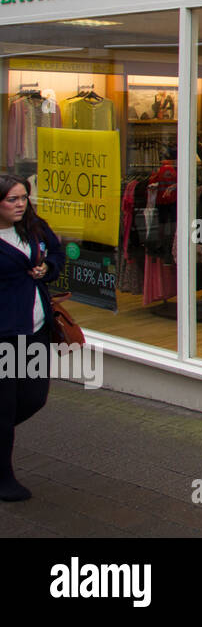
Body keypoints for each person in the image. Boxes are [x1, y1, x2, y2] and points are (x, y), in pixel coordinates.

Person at [0, 174, 66, 501]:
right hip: (5, 335)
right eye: (12, 199)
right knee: (5, 404)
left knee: (34, 397)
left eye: (23, 198)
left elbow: (56, 253)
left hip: (36, 330)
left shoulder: (34, 227)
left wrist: (48, 269)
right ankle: (3, 476)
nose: (20, 204)